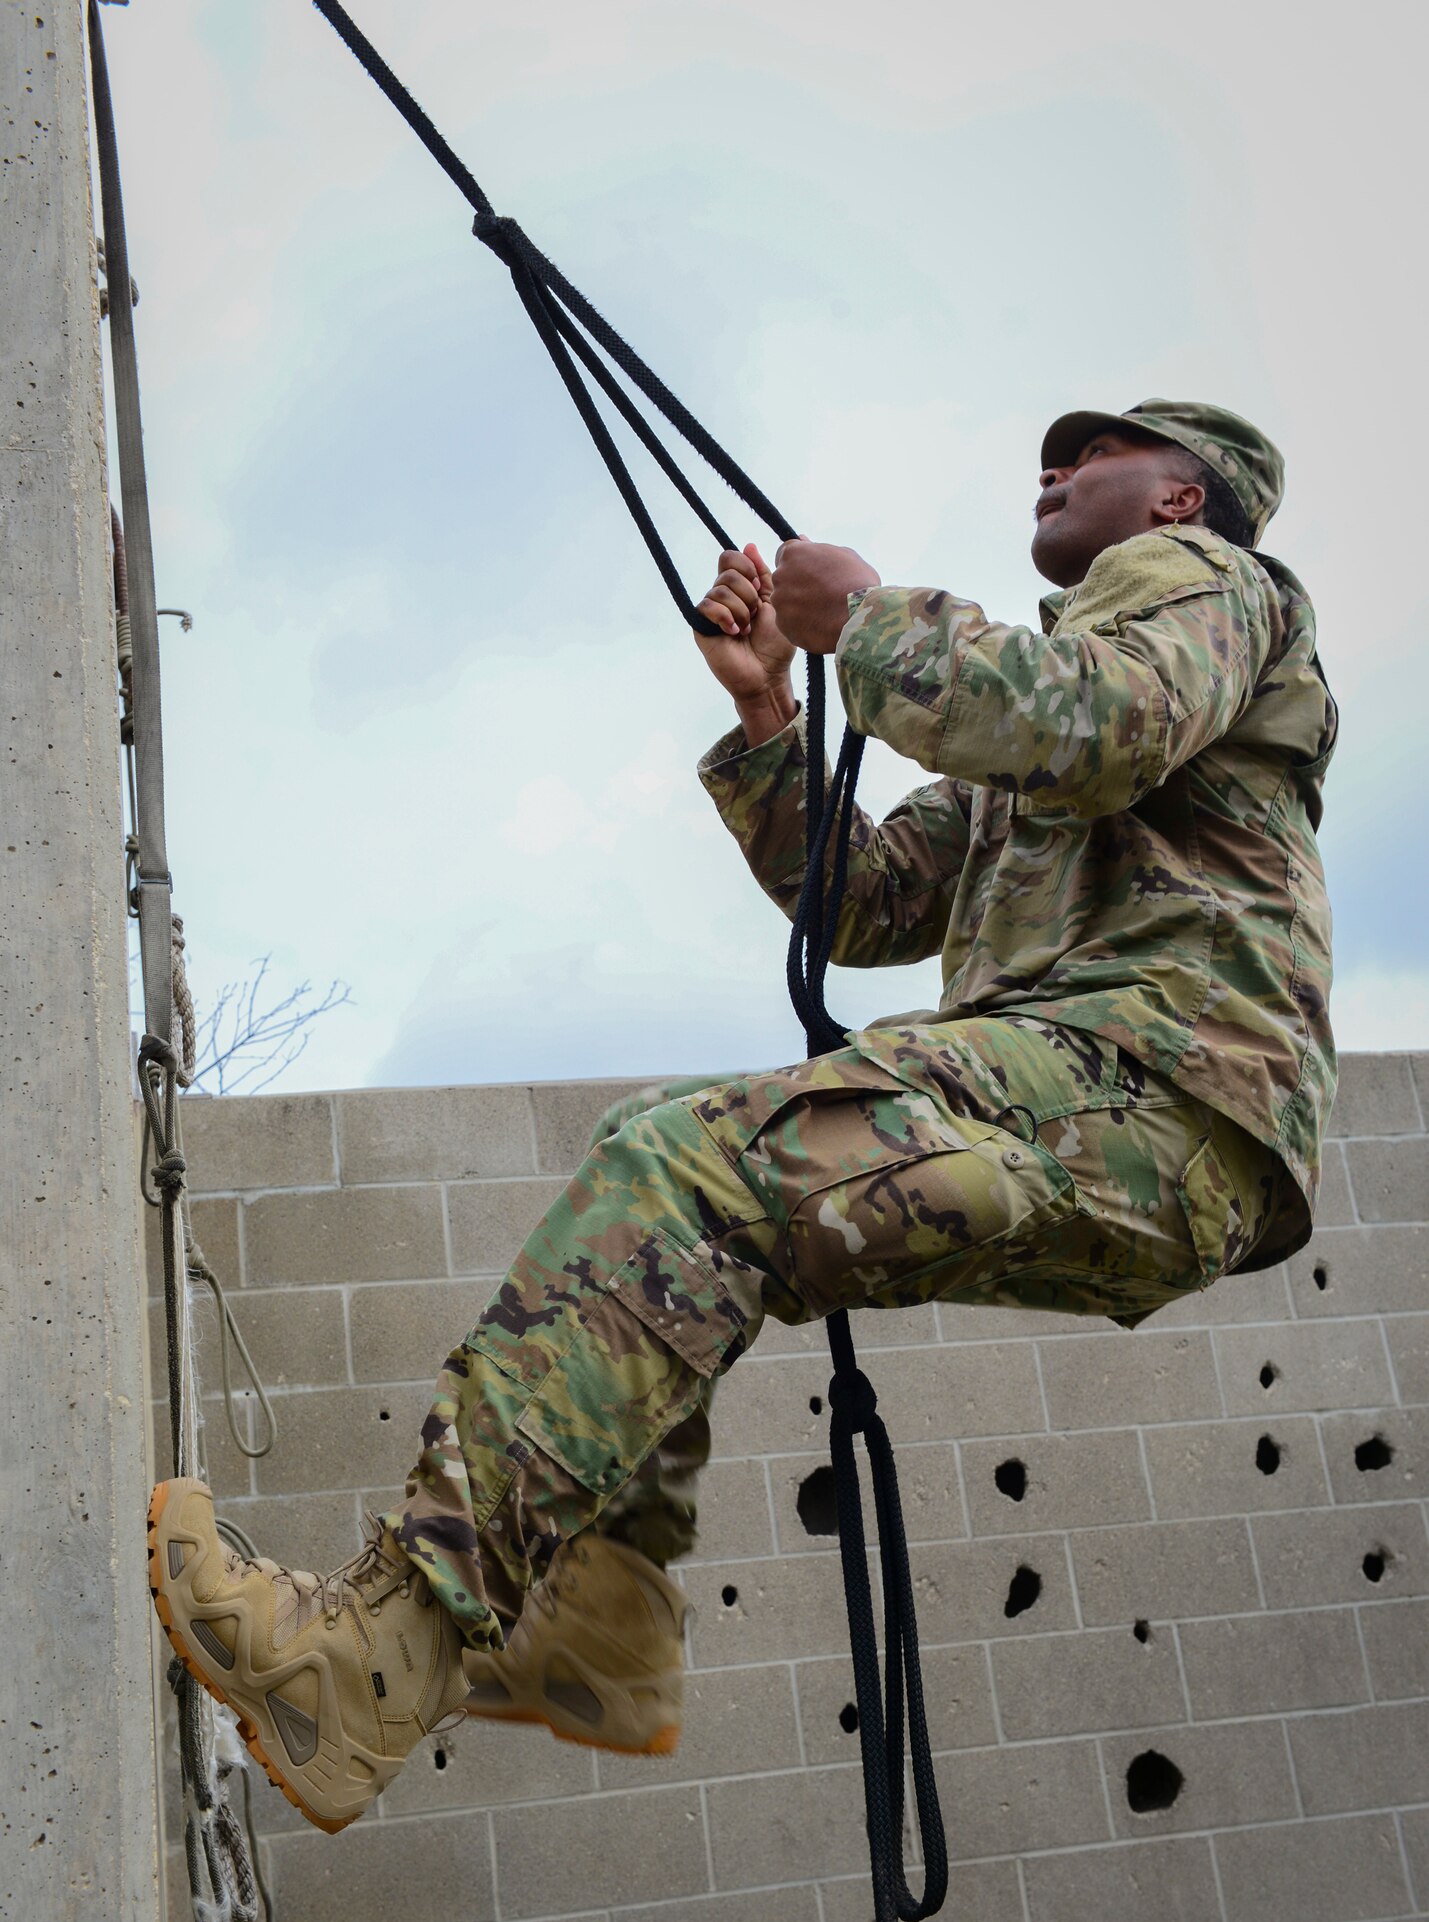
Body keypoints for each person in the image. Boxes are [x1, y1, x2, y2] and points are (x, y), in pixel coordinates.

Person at [149, 398, 1336, 1833]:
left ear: (1178, 502)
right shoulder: (1051, 717)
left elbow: (1093, 721)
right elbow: (872, 903)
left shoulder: (1208, 588)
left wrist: (872, 620)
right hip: (1120, 1138)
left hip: (1147, 1085)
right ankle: (583, 1632)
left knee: (679, 1167)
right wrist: (772, 709)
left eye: (1099, 453)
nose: (1058, 464)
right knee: (672, 1210)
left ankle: (384, 1653)